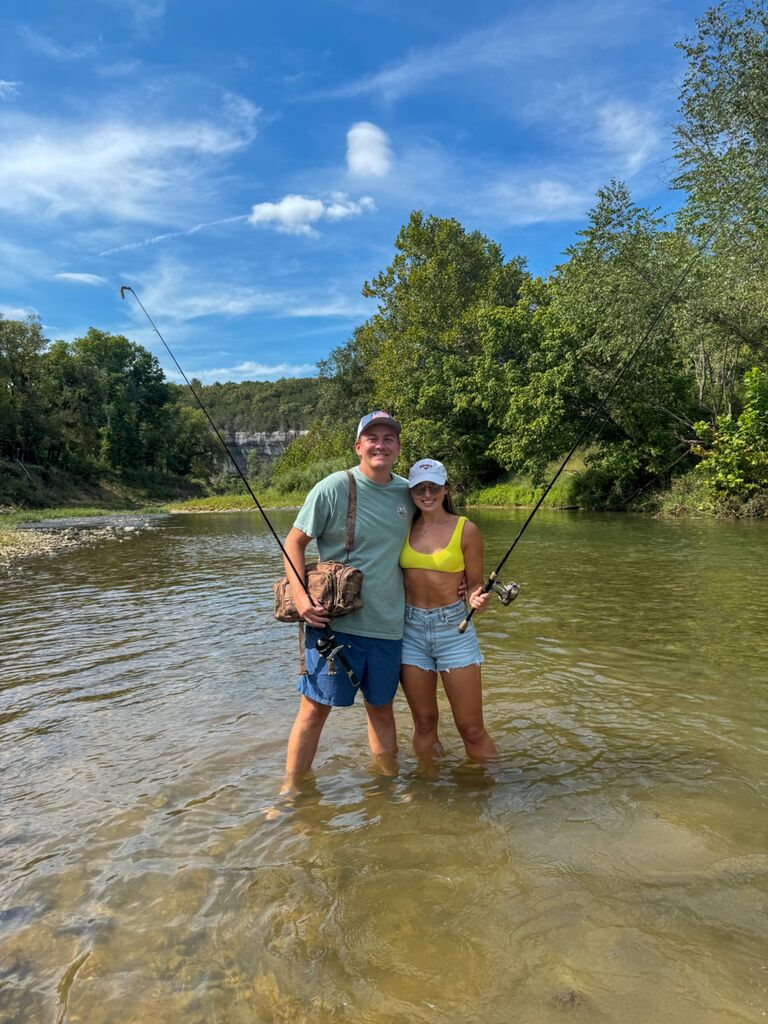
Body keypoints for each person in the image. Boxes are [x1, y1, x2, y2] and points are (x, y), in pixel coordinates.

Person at [281, 412, 411, 777]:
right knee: (312, 710)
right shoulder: (333, 487)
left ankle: (385, 789)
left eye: (388, 438)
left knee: (382, 709)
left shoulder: (409, 492)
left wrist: (458, 582)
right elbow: (294, 542)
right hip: (336, 624)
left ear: (398, 448)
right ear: (358, 447)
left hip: (389, 626)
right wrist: (302, 598)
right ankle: (290, 792)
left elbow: (432, 541)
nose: (380, 444)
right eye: (372, 437)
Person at [398, 458, 496, 761]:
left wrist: (477, 599)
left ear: (446, 489)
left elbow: (475, 585)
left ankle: (493, 793)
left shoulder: (467, 530)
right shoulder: (401, 527)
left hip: (454, 630)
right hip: (409, 631)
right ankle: (429, 792)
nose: (427, 494)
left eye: (434, 487)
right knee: (424, 723)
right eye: (419, 489)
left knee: (471, 728)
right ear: (411, 493)